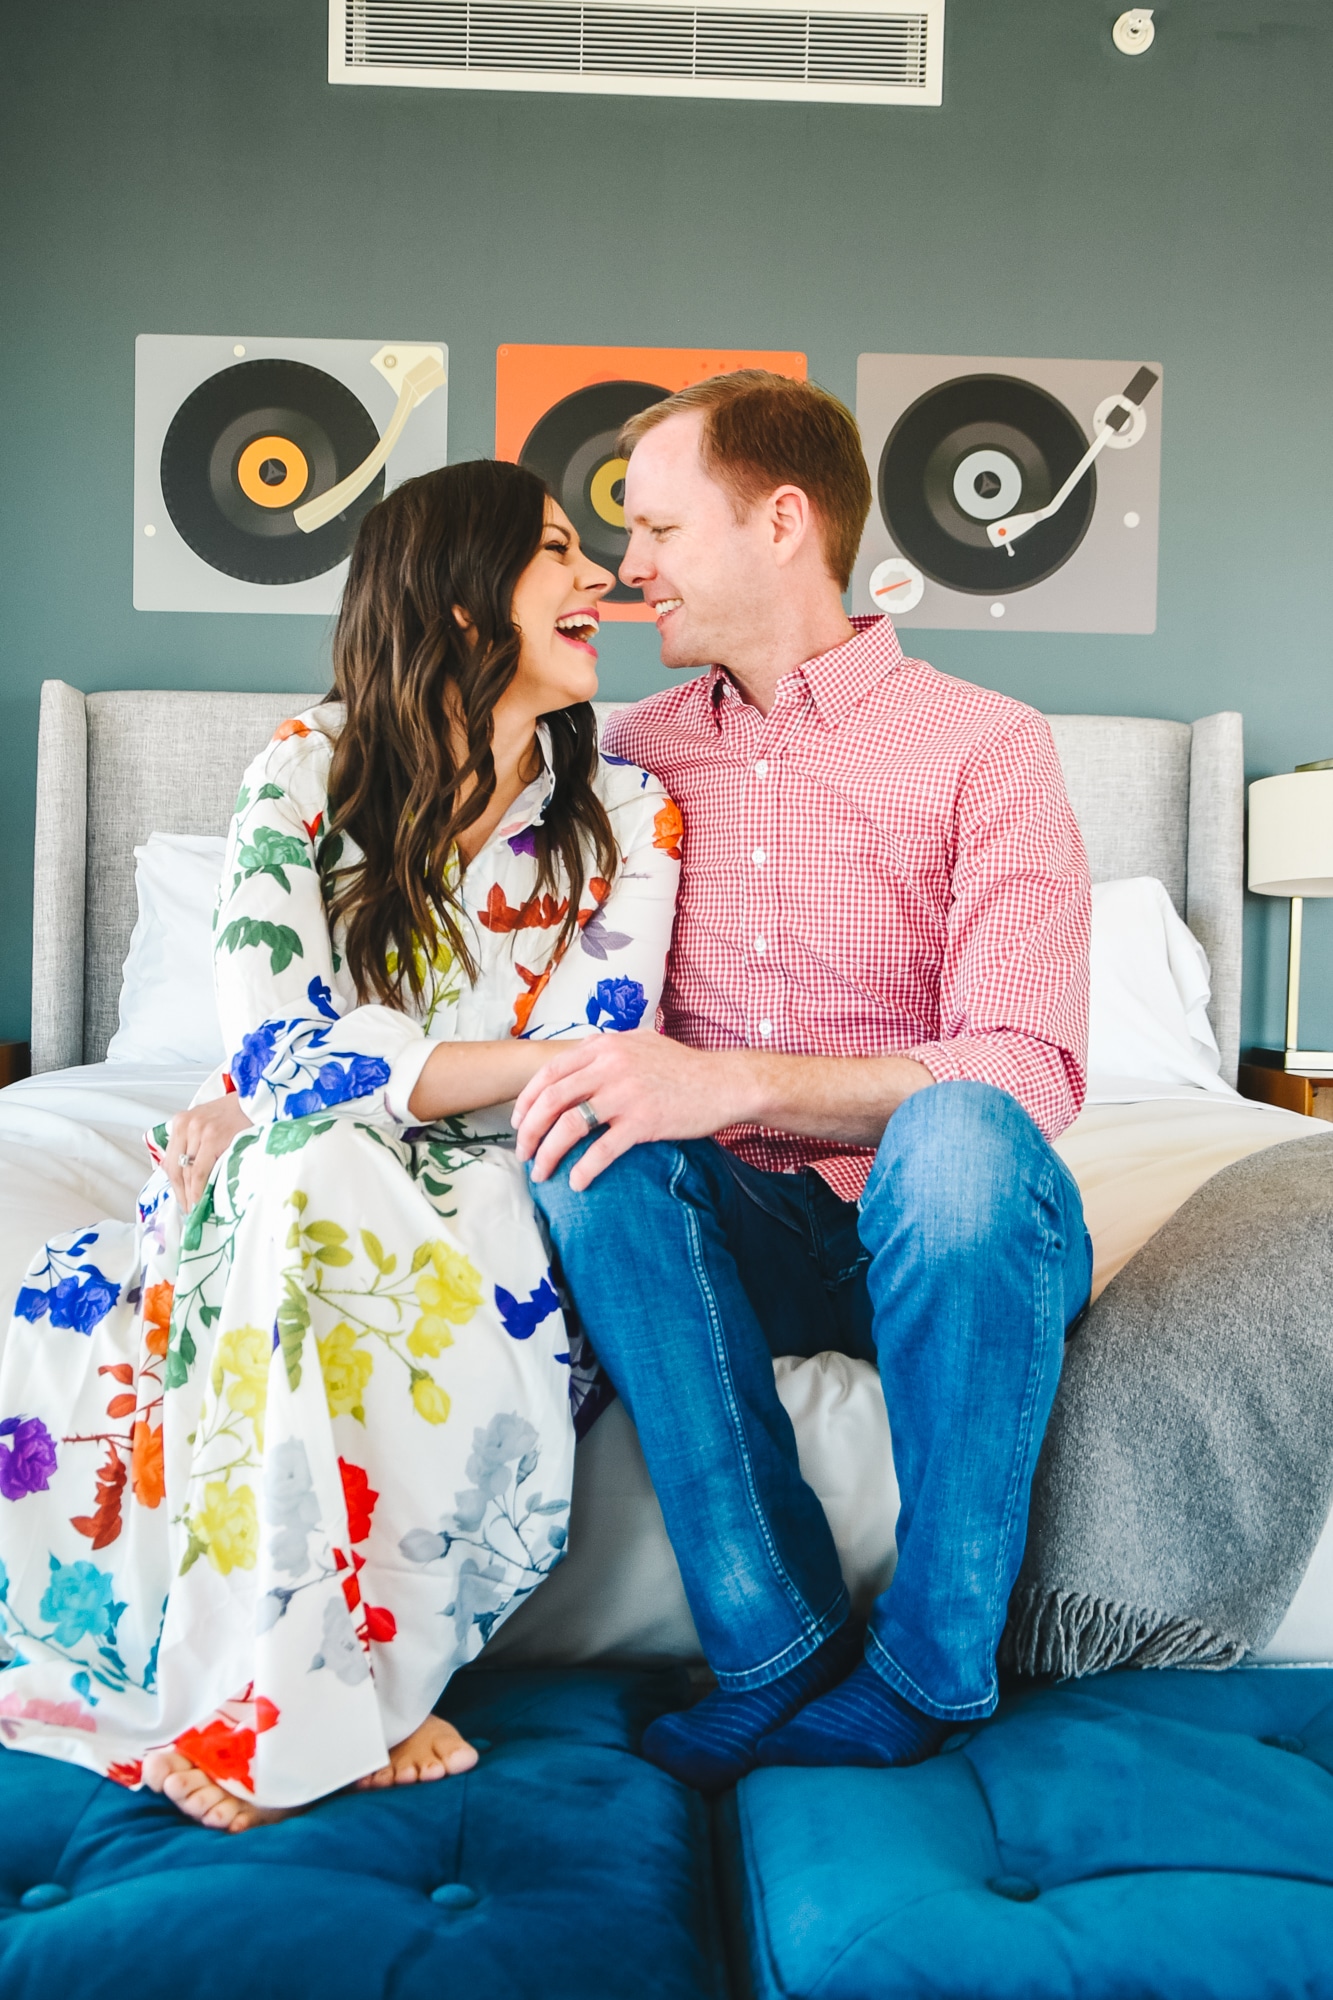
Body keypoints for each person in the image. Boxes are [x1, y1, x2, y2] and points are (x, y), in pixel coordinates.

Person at [0, 461, 679, 1829]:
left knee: (304, 1161)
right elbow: (274, 1034)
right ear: (463, 596)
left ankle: (281, 1707)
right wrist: (279, 1087)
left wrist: (319, 1081)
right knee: (282, 1181)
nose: (599, 577)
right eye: (557, 552)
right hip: (292, 1159)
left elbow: (595, 1054)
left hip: (498, 1189)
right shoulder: (302, 768)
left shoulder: (630, 811)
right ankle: (332, 1699)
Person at [512, 371, 1093, 1792]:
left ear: (781, 521)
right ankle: (772, 1642)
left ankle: (933, 1664)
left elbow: (1024, 1070)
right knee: (586, 1136)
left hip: (950, 1223)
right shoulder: (626, 755)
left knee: (960, 1128)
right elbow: (472, 964)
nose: (627, 570)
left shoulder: (988, 746)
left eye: (655, 528)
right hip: (741, 1235)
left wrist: (727, 1083)